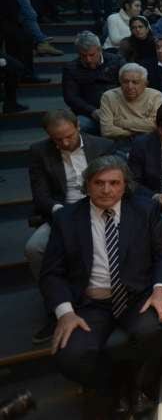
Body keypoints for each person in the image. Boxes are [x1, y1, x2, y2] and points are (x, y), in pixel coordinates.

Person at [40, 155, 162, 417]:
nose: (106, 189)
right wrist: (65, 313)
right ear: (87, 185)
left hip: (136, 296)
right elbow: (51, 274)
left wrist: (160, 289)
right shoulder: (67, 218)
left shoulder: (145, 210)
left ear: (125, 186)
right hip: (89, 304)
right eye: (99, 183)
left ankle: (139, 386)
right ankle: (113, 388)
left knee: (155, 328)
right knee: (69, 355)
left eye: (114, 183)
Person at [25, 110, 116, 344]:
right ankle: (56, 309)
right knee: (35, 248)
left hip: (100, 207)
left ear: (78, 127)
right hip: (63, 212)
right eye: (58, 139)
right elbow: (41, 196)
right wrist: (61, 214)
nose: (65, 143)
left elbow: (117, 183)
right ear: (49, 136)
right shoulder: (38, 152)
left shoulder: (102, 146)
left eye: (69, 136)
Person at [62, 31, 125, 135]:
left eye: (92, 55)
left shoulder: (116, 61)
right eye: (83, 55)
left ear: (100, 49)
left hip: (117, 111)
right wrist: (92, 111)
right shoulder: (71, 68)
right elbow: (71, 97)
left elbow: (126, 85)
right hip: (88, 114)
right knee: (76, 128)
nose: (88, 59)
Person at [99, 63, 162, 151]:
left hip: (148, 142)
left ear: (145, 84)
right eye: (125, 82)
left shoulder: (156, 96)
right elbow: (107, 130)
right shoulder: (108, 96)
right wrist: (138, 131)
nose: (130, 86)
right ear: (120, 82)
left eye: (135, 82)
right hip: (119, 143)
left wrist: (121, 122)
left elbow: (155, 126)